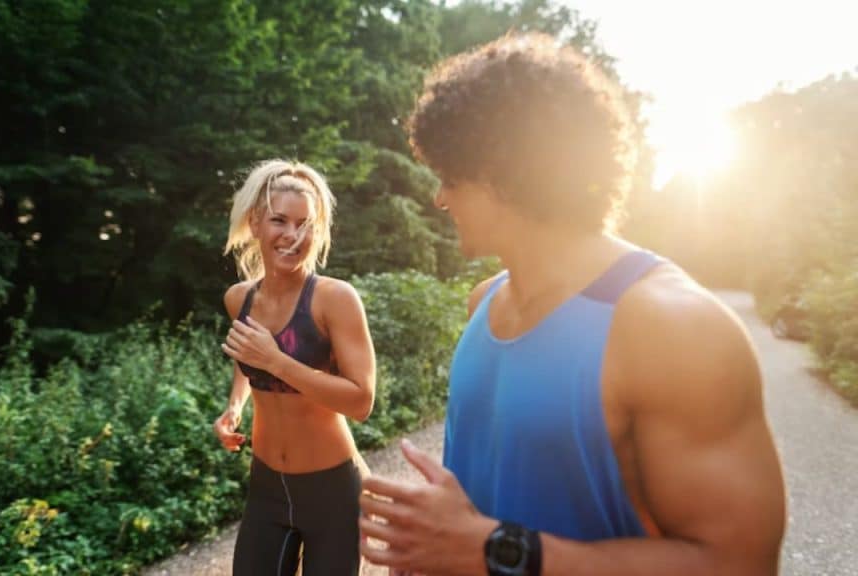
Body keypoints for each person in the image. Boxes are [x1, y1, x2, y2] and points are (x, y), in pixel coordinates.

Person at [358, 33, 786, 576]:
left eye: (449, 177)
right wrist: (436, 542)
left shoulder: (673, 326)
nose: (440, 198)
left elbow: (739, 564)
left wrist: (492, 551)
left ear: (500, 170)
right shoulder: (483, 303)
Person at [215, 159, 376, 576]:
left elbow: (361, 401)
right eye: (279, 221)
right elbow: (246, 358)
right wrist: (235, 406)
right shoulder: (239, 299)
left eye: (305, 224)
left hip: (333, 491)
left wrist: (277, 360)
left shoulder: (334, 300)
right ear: (255, 224)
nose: (293, 235)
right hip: (267, 487)